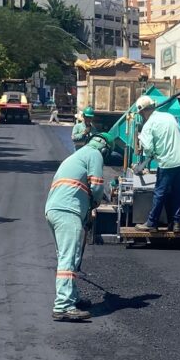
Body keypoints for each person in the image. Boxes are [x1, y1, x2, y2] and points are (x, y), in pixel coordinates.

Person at [44, 133, 114, 322]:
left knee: (68, 256)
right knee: (69, 257)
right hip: (68, 211)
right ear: (105, 148)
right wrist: (95, 203)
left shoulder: (78, 154)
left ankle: (72, 297)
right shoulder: (95, 154)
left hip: (55, 209)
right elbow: (97, 186)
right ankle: (63, 306)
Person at [133, 95, 180, 233]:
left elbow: (148, 148)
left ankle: (151, 223)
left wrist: (148, 157)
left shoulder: (148, 126)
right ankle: (176, 223)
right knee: (177, 192)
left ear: (142, 111)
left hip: (167, 163)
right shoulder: (169, 116)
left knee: (160, 192)